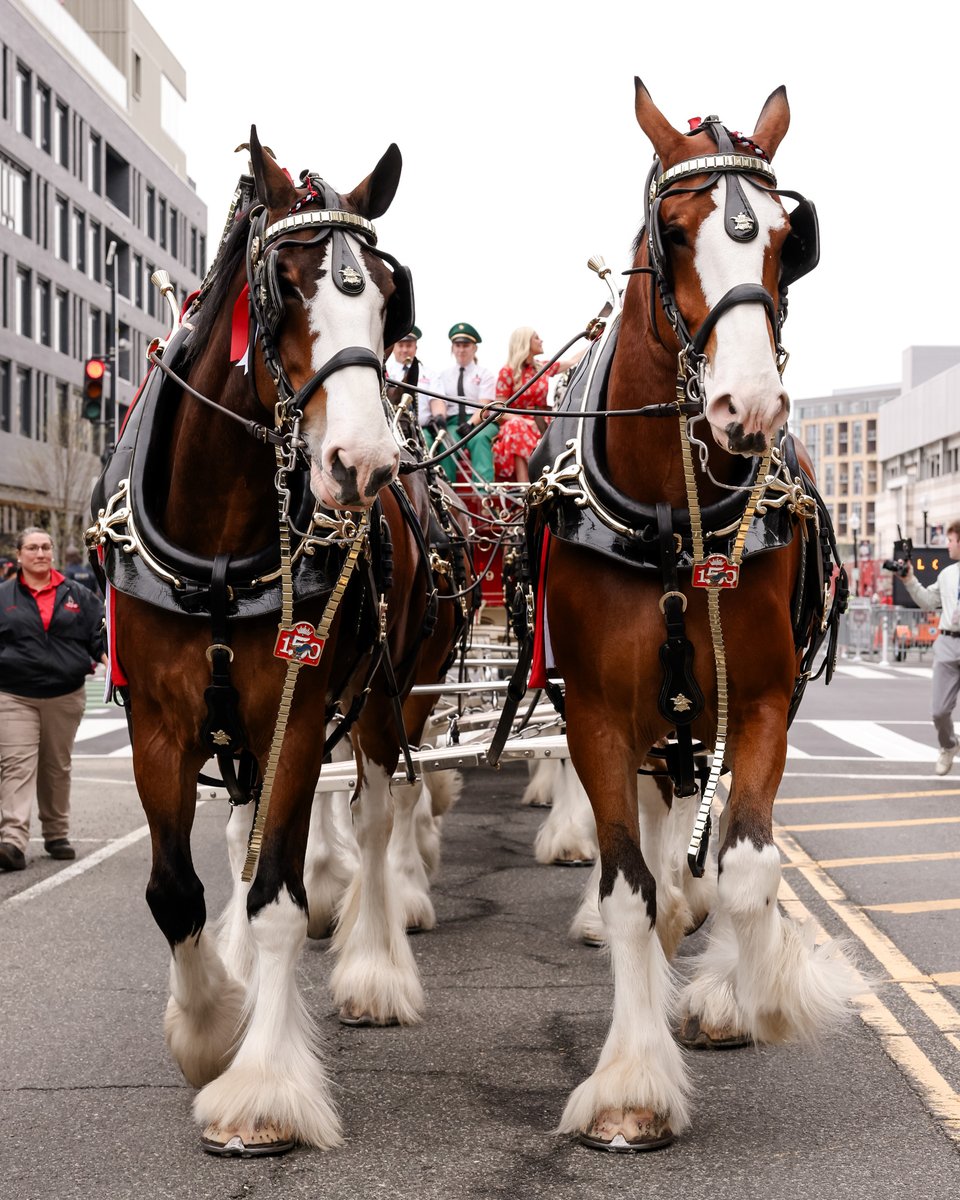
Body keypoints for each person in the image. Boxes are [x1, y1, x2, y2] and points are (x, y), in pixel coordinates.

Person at [0, 527, 107, 871]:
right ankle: (12, 841)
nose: (41, 553)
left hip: (65, 695)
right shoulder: (3, 596)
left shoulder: (78, 594)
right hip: (15, 695)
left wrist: (112, 665)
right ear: (20, 555)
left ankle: (56, 834)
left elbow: (98, 638)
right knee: (17, 765)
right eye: (32, 547)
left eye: (46, 547)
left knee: (56, 768)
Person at [896, 519, 960, 775]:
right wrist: (910, 580)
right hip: (947, 642)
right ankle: (949, 745)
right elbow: (927, 601)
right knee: (939, 711)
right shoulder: (946, 575)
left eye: (951, 540)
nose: (947, 545)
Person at [492, 328, 582, 482]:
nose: (541, 341)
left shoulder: (542, 368)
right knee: (515, 428)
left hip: (542, 422)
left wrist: (597, 338)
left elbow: (573, 361)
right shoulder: (507, 372)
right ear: (525, 343)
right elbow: (498, 409)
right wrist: (521, 420)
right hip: (518, 423)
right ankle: (525, 485)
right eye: (536, 338)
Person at [432, 323, 497, 484]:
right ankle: (447, 493)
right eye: (457, 345)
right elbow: (439, 401)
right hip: (453, 421)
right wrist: (439, 417)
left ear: (474, 348)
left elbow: (485, 406)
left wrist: (470, 423)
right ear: (452, 348)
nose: (461, 350)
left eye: (466, 345)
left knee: (479, 439)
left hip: (480, 420)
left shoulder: (484, 374)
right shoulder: (443, 375)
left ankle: (484, 494)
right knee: (447, 443)